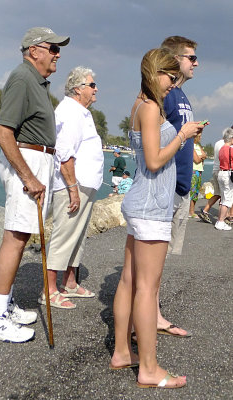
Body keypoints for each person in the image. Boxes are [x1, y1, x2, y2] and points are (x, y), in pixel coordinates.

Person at [110, 48, 202, 389]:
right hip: (151, 206)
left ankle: (122, 352)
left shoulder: (139, 105)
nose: (172, 85)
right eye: (170, 78)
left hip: (140, 203)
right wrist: (182, 136)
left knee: (129, 281)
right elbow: (152, 160)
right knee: (146, 288)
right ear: (156, 72)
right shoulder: (150, 108)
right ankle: (149, 368)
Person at [0, 27, 70, 343]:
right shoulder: (22, 77)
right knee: (15, 237)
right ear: (34, 50)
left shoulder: (38, 81)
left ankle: (5, 304)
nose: (58, 54)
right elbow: (4, 134)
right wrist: (29, 176)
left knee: (20, 234)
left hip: (36, 161)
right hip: (27, 164)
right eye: (53, 48)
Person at [38, 66, 104, 309]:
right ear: (78, 89)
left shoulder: (81, 112)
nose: (96, 89)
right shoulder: (70, 112)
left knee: (77, 236)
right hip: (72, 185)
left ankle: (69, 282)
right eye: (92, 85)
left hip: (84, 183)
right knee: (64, 235)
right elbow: (65, 153)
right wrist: (72, 187)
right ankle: (49, 289)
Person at [156, 35, 202, 337]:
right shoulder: (166, 94)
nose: (196, 63)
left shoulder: (182, 96)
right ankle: (146, 318)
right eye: (190, 57)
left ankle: (153, 313)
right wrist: (184, 135)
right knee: (152, 259)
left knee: (161, 260)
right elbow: (155, 141)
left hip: (182, 186)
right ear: (174, 60)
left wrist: (191, 134)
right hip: (166, 186)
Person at [215, 127, 233, 230]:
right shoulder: (230, 149)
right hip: (227, 174)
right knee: (227, 200)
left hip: (221, 173)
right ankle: (221, 221)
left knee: (223, 198)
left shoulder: (221, 149)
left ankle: (219, 220)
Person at [189, 133, 207, 218]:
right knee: (192, 191)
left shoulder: (198, 146)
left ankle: (191, 211)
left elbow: (204, 155)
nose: (201, 137)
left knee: (196, 191)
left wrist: (200, 156)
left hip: (199, 170)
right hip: (193, 170)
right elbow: (196, 160)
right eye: (199, 136)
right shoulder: (191, 145)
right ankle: (190, 211)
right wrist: (201, 157)